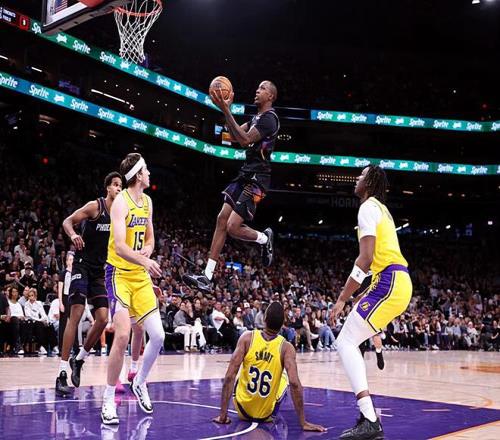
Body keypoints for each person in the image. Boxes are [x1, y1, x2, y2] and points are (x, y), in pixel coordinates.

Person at [331, 165, 412, 439]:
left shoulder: (367, 207)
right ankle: (368, 417)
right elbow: (375, 261)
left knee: (345, 341)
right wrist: (358, 295)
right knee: (350, 339)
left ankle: (369, 418)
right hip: (391, 281)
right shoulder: (381, 209)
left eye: (362, 175)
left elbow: (365, 260)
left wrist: (342, 299)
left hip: (389, 281)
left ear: (370, 182)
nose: (357, 178)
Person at [183, 81, 280, 292]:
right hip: (245, 174)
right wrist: (225, 109)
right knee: (221, 219)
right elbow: (231, 136)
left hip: (258, 180)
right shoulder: (256, 118)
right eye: (257, 87)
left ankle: (264, 238)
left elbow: (244, 140)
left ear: (271, 96)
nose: (257, 90)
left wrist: (227, 110)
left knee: (233, 227)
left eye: (262, 88)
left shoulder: (270, 119)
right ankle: (207, 276)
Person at [101, 153, 164, 425]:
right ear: (138, 175)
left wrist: (148, 249)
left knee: (158, 336)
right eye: (146, 169)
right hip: (118, 275)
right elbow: (119, 247)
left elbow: (150, 238)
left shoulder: (147, 202)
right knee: (123, 334)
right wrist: (145, 260)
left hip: (139, 276)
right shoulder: (120, 203)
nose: (149, 173)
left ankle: (139, 381)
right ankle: (107, 400)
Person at [56, 172, 123, 397]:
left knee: (103, 319)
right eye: (115, 185)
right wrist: (73, 235)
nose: (118, 189)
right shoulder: (96, 207)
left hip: (99, 271)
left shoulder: (119, 215)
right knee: (75, 313)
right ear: (107, 188)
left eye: (121, 186)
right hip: (82, 265)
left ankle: (79, 360)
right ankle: (61, 373)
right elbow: (67, 221)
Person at [212, 301, 326, 432]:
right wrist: (303, 422)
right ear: (282, 324)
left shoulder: (247, 338)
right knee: (284, 377)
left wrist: (223, 416)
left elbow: (229, 377)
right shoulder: (286, 347)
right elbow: (295, 384)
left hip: (242, 410)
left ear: (264, 319)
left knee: (238, 374)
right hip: (267, 415)